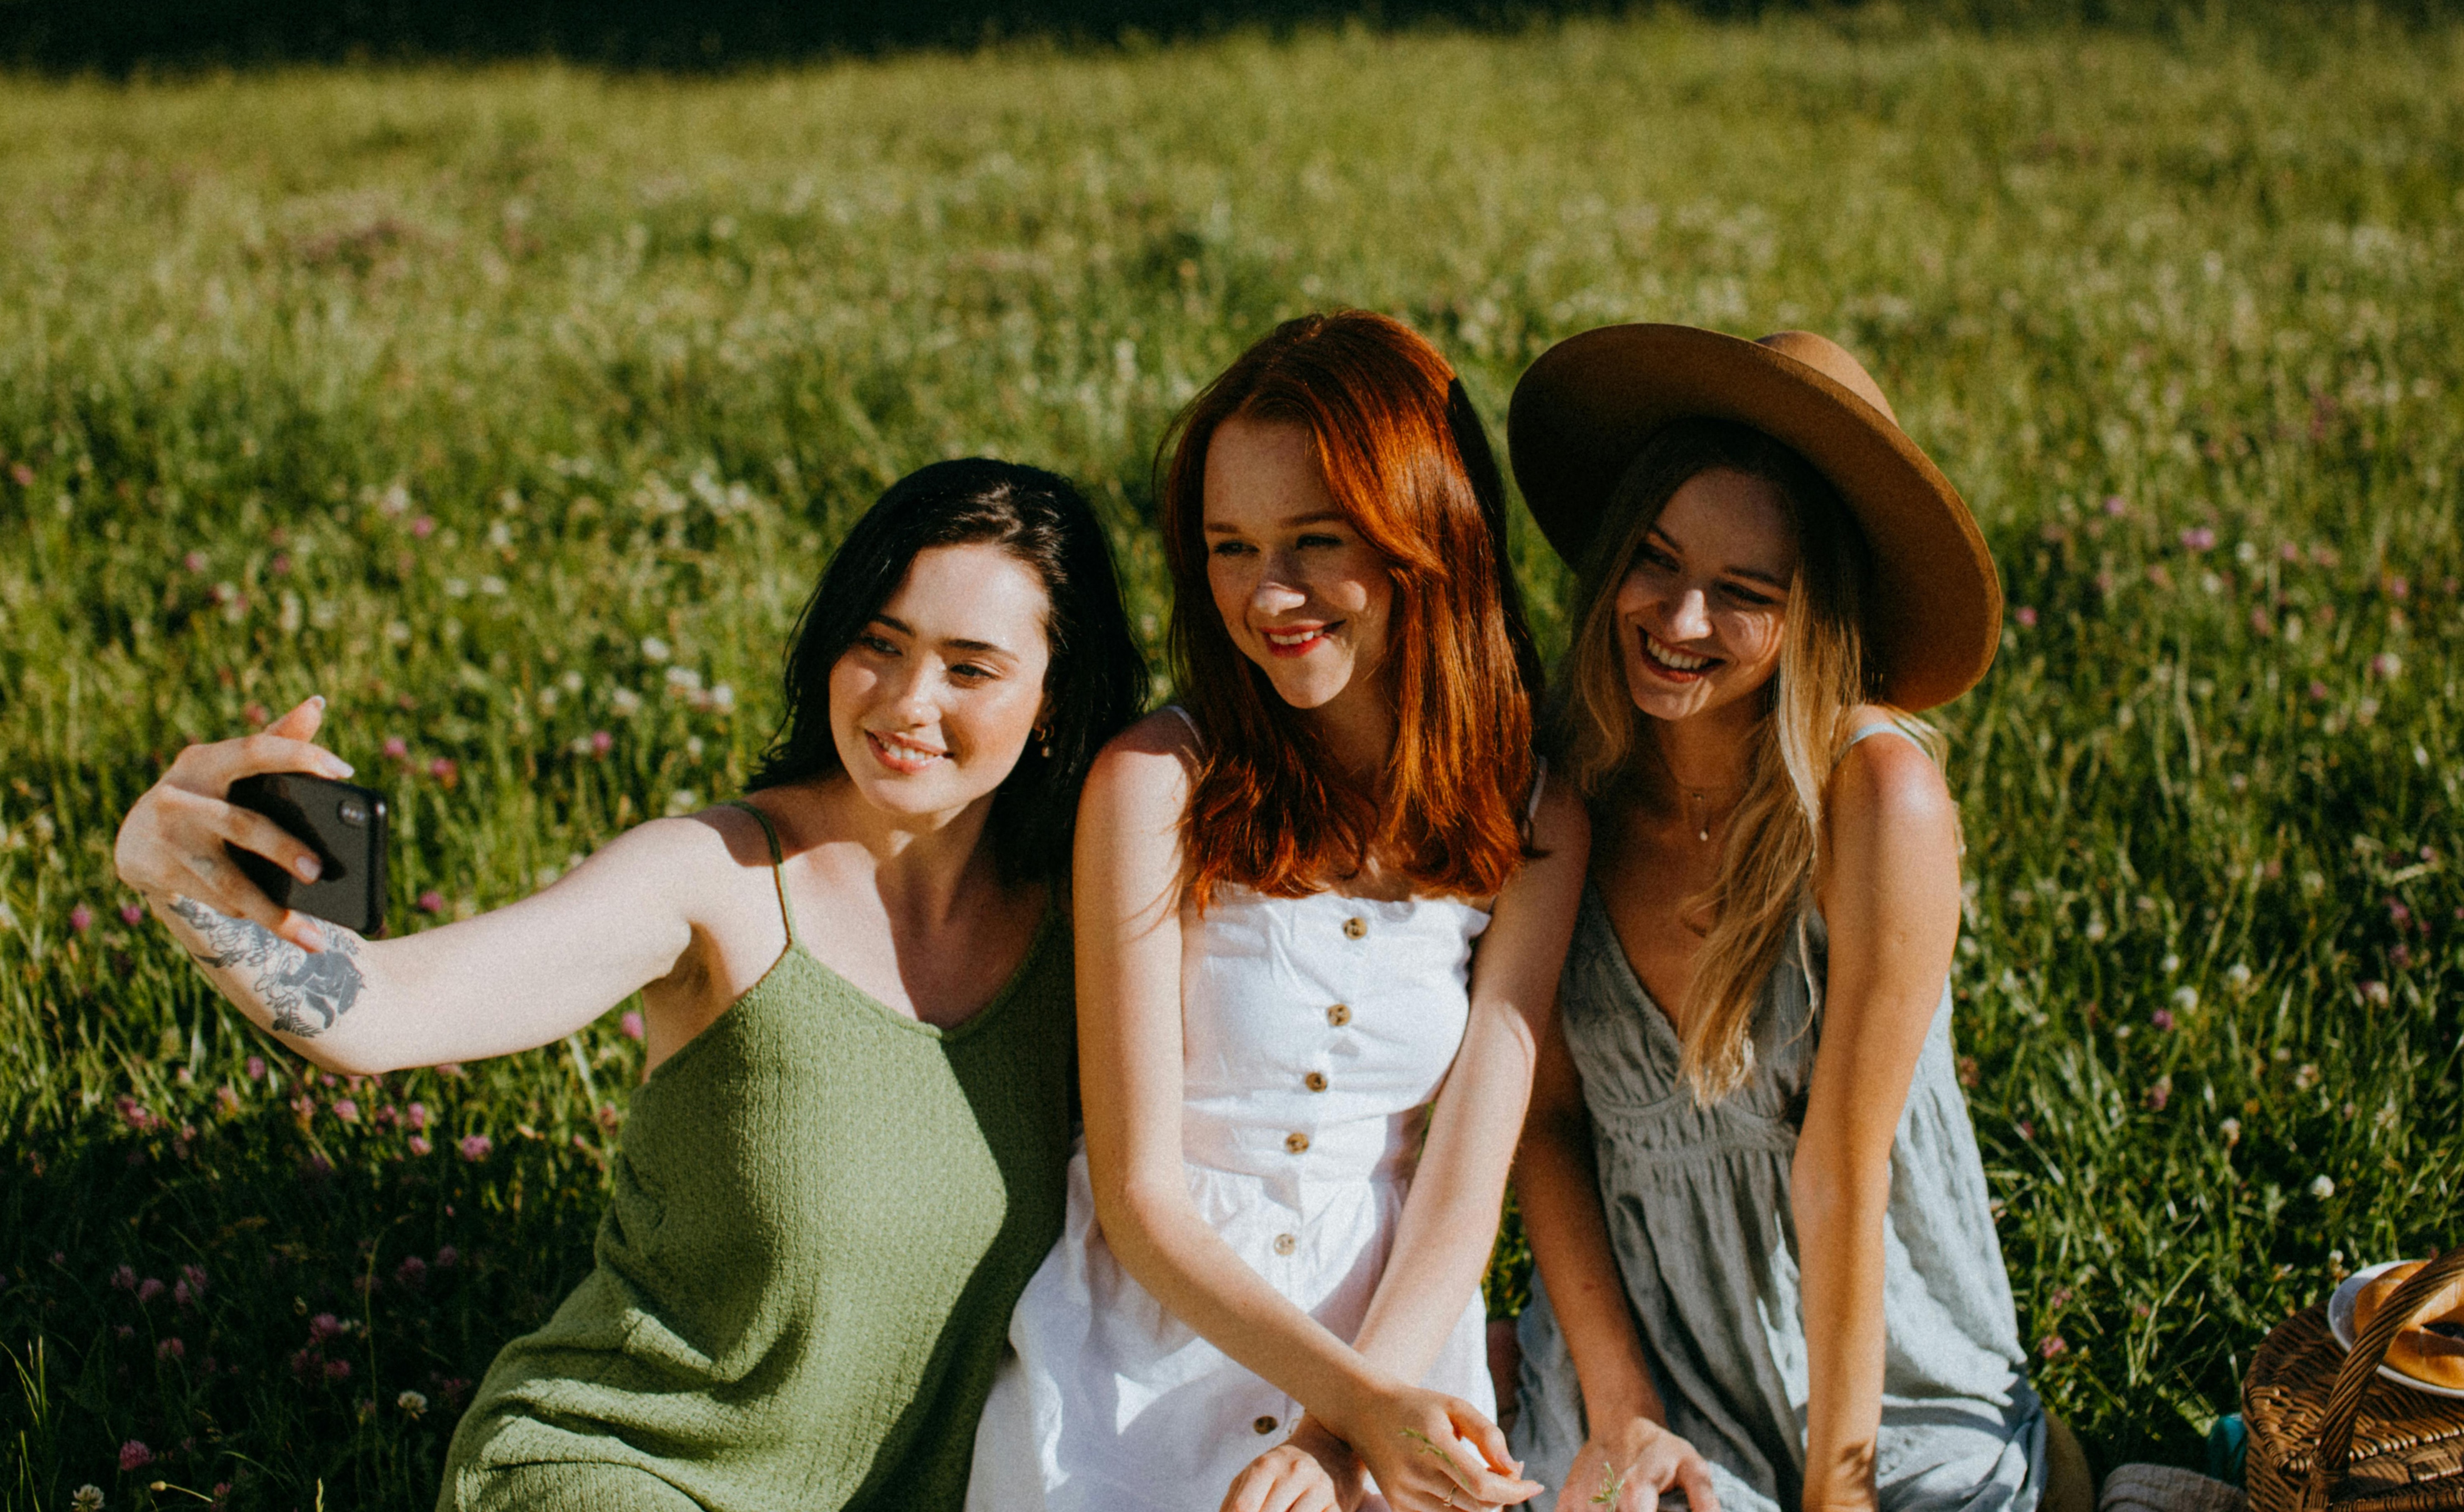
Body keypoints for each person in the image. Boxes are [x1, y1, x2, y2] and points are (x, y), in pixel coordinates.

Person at [112, 459, 1150, 1512]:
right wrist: (179, 886)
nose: (907, 700)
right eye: (877, 642)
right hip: (626, 1471)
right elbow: (390, 1010)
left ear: (1054, 702)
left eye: (971, 669)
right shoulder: (715, 880)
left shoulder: (1087, 927)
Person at [968, 311, 1589, 1512]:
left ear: (1428, 534)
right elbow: (1142, 1201)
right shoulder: (1155, 785)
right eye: (1229, 547)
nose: (1270, 595)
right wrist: (1344, 1406)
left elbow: (1465, 1173)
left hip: (1394, 1327)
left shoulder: (1528, 804)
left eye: (1316, 540)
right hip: (1147, 1348)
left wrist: (1347, 1427)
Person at [1502, 326, 2088, 1512]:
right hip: (1643, 1357)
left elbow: (1840, 1171)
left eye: (1744, 594)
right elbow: (1547, 1123)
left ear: (1811, 615)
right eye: (1655, 561)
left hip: (1874, 1373)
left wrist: (1837, 1490)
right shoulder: (1560, 788)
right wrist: (1621, 1408)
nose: (1679, 617)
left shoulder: (1875, 800)